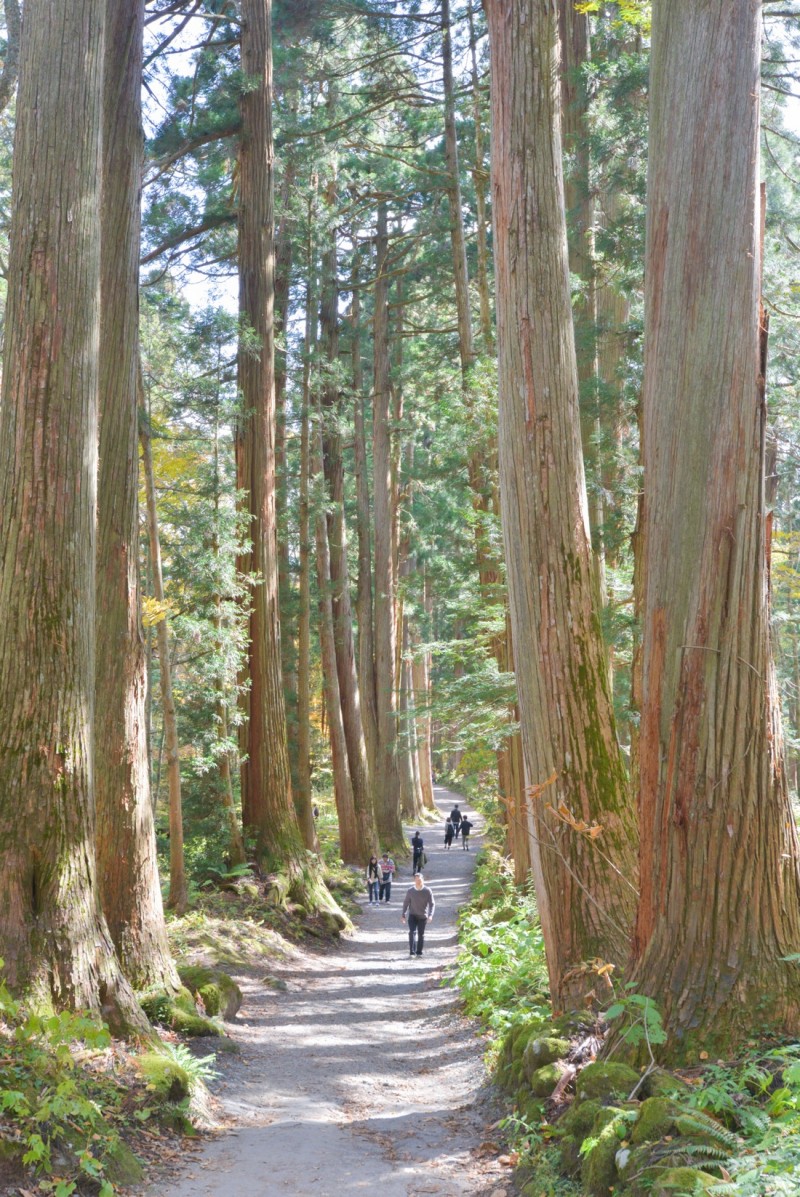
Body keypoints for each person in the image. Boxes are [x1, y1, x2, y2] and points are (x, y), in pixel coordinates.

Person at [401, 872, 435, 956]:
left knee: (421, 934)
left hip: (422, 916)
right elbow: (406, 903)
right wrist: (403, 914)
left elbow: (432, 904)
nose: (418, 881)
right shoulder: (410, 891)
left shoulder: (427, 891)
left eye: (419, 879)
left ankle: (419, 952)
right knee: (412, 932)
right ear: (414, 881)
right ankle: (412, 952)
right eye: (416, 880)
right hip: (412, 915)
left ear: (423, 880)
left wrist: (430, 915)